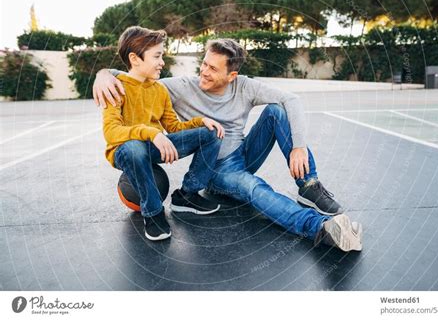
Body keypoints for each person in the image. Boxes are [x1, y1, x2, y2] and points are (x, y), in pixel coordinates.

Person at [95, 38, 363, 252]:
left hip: (245, 152)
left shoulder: (245, 86)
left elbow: (291, 99)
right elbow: (138, 77)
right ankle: (320, 228)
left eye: (213, 68)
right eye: (204, 63)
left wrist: (299, 146)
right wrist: (104, 73)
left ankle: (309, 185)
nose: (204, 71)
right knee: (254, 187)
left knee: (276, 111)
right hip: (220, 168)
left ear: (232, 74)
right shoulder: (180, 86)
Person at [103, 26, 225, 241]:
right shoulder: (116, 87)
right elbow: (112, 132)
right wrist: (150, 132)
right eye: (157, 56)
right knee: (134, 146)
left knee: (211, 133)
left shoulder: (159, 90)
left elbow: (174, 127)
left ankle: (187, 195)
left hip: (155, 145)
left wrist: (201, 122)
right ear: (135, 59)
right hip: (126, 151)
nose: (162, 62)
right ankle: (153, 212)